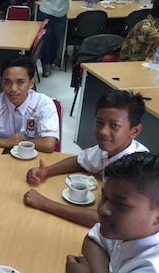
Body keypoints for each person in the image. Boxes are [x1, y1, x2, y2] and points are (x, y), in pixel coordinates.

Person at [24, 90, 149, 227]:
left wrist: (45, 203)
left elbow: (107, 220)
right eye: (99, 123)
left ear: (135, 131)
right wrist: (47, 171)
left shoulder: (135, 170)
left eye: (114, 125)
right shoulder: (110, 149)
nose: (103, 131)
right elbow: (80, 161)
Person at [33, 0, 76, 77]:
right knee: (56, 40)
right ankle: (50, 62)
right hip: (61, 11)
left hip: (46, 9)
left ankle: (46, 66)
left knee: (45, 40)